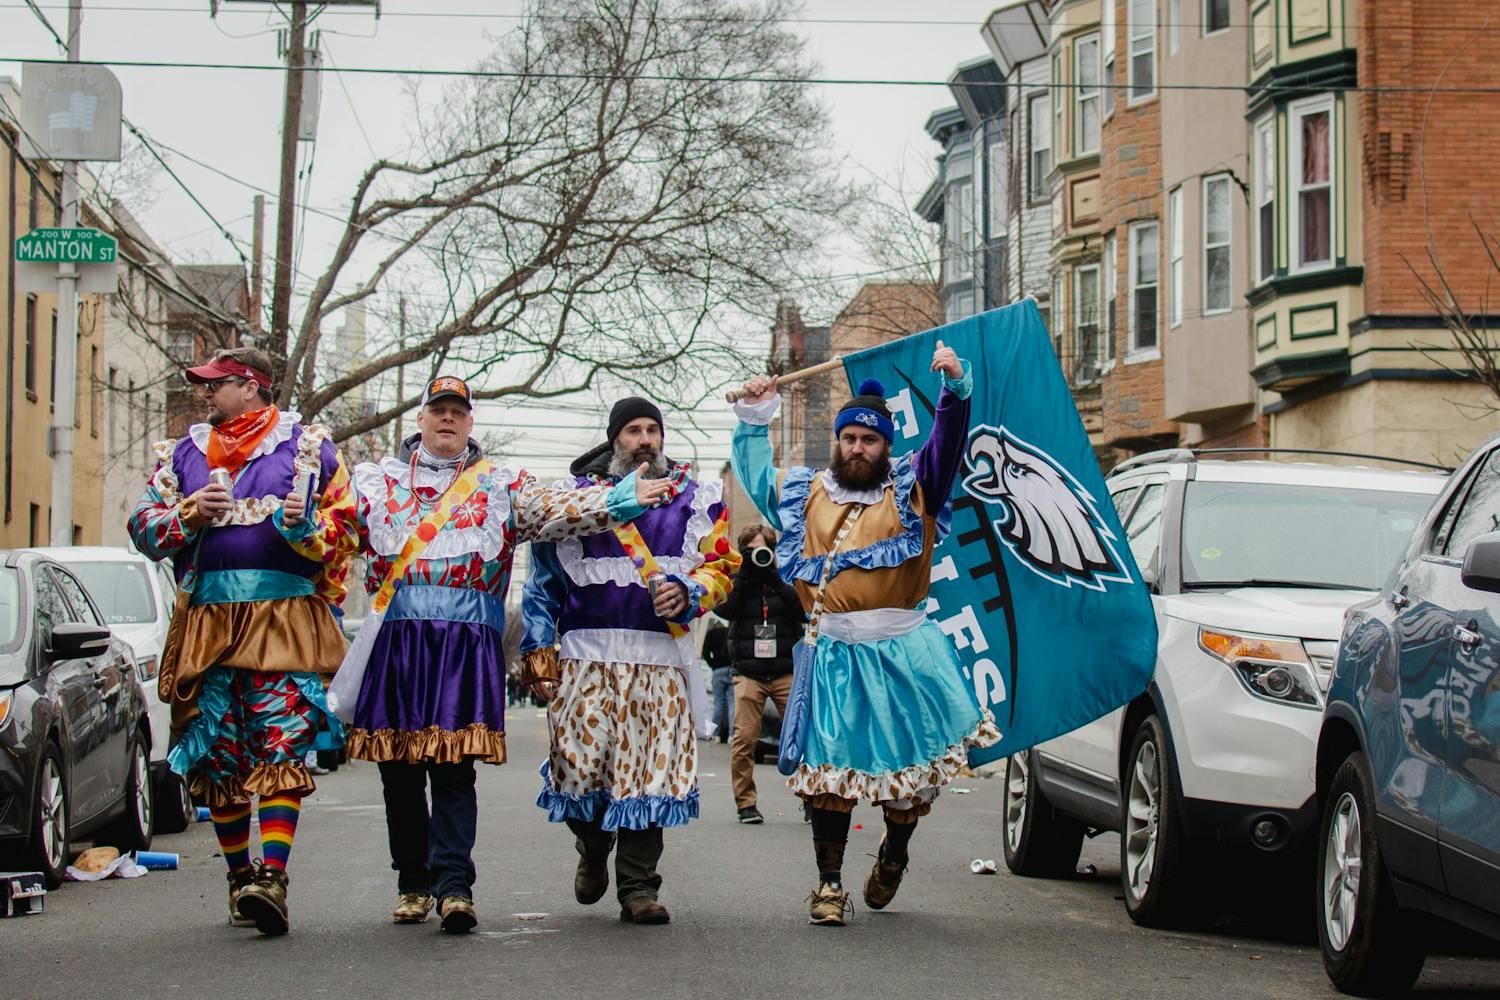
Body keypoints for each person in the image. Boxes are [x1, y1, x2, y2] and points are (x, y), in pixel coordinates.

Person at [343, 376, 672, 934]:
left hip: (462, 647)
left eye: (457, 412)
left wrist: (619, 498)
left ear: (470, 423)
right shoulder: (376, 481)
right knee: (398, 771)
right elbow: (328, 530)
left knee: (453, 769)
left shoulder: (500, 485)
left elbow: (559, 508)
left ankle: (453, 888)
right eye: (438, 410)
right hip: (396, 642)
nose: (447, 420)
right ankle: (412, 883)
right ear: (420, 420)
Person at [731, 340, 1000, 926]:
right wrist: (757, 417)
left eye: (869, 439)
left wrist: (955, 389)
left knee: (907, 780)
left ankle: (894, 855)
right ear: (839, 441)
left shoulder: (913, 486)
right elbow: (755, 477)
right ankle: (829, 885)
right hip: (832, 653)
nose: (857, 448)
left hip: (904, 650)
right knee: (829, 775)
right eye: (849, 438)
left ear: (886, 445)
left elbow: (947, 445)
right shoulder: (807, 492)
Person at [128, 347, 358, 936]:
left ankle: (273, 878)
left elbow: (348, 530)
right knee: (218, 751)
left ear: (251, 386)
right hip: (207, 623)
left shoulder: (306, 447)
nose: (207, 394)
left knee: (280, 744)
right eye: (205, 386)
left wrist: (301, 526)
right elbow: (143, 527)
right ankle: (240, 879)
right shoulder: (184, 453)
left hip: (281, 620)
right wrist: (188, 513)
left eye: (217, 384)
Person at [520, 396, 739, 925]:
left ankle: (639, 886)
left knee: (650, 772)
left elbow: (722, 567)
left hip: (658, 662)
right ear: (615, 439)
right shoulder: (576, 502)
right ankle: (593, 848)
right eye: (634, 431)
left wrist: (690, 592)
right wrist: (538, 651)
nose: (646, 439)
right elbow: (542, 585)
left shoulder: (696, 499)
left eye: (653, 430)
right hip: (583, 661)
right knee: (579, 771)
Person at [711, 524, 806, 824]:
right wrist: (745, 575)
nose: (759, 556)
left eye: (764, 549)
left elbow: (803, 610)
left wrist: (774, 578)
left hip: (784, 670)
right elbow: (724, 610)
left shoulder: (785, 577)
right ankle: (746, 804)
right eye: (752, 550)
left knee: (802, 735)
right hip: (748, 672)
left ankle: (813, 798)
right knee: (744, 739)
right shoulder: (736, 580)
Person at [702, 620, 733, 743]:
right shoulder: (728, 632)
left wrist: (713, 664)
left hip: (718, 670)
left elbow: (705, 652)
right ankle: (732, 735)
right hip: (731, 669)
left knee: (718, 702)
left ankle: (716, 734)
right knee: (732, 703)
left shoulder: (711, 633)